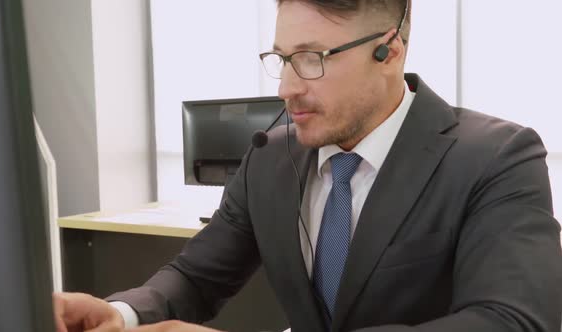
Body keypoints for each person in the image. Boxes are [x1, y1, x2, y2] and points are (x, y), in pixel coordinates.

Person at [54, 0, 562, 331]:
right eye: (281, 59)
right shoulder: (268, 157)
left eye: (312, 58)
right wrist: (120, 315)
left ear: (390, 51)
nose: (286, 88)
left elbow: (510, 321)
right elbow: (196, 278)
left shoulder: (496, 157)